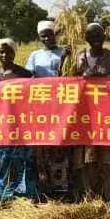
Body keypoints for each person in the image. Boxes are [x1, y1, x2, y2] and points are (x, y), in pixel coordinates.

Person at [73, 23, 110, 202]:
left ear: (104, 37)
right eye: (91, 35)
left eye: (99, 35)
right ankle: (90, 197)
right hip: (87, 116)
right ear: (85, 37)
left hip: (109, 116)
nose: (95, 38)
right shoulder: (79, 56)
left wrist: (99, 76)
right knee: (88, 160)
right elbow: (70, 81)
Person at [0, 38, 39, 202]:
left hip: (20, 125)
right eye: (1, 52)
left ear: (14, 53)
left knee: (21, 161)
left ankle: (25, 197)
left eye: (9, 51)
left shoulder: (24, 74)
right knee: (0, 160)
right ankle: (4, 196)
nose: (5, 55)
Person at [25, 20, 71, 198]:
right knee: (44, 146)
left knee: (61, 144)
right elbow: (28, 77)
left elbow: (70, 74)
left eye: (50, 34)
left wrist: (67, 57)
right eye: (43, 36)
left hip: (62, 105)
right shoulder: (35, 56)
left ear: (55, 35)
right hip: (42, 106)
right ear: (40, 38)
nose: (47, 38)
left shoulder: (65, 52)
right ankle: (46, 187)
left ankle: (63, 187)